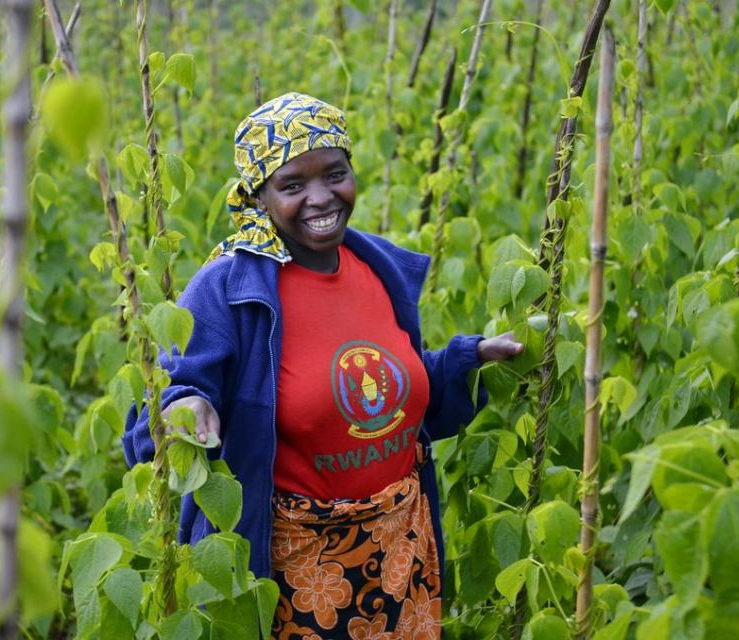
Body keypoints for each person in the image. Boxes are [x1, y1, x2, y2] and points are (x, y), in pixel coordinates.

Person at [122, 92, 522, 639]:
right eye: (292, 185)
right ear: (259, 197)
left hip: (402, 551)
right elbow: (163, 408)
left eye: (334, 174)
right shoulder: (228, 291)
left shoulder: (376, 269)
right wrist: (185, 405)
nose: (320, 197)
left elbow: (375, 394)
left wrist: (465, 360)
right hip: (296, 571)